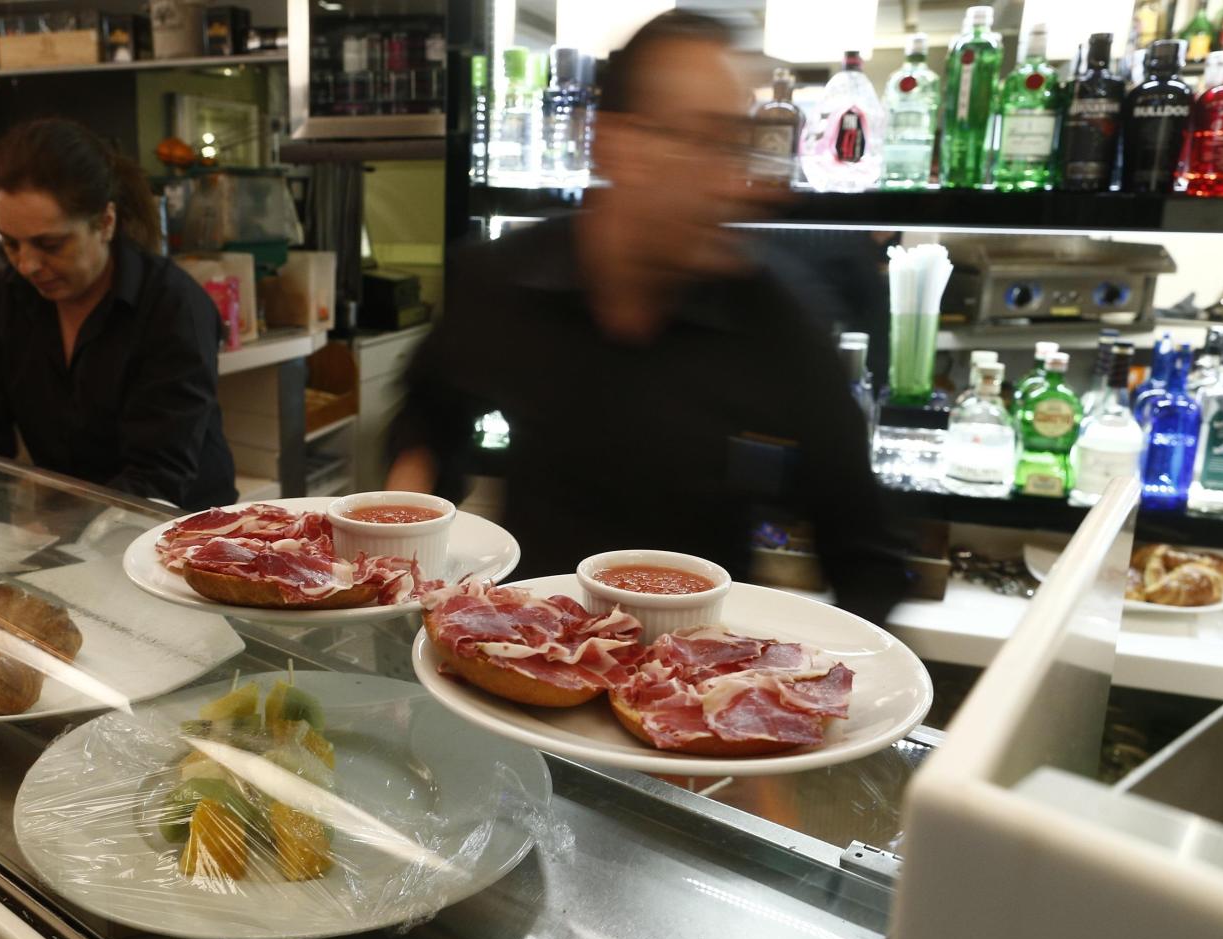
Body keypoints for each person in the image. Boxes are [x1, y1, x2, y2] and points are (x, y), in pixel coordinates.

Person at [387, 13, 907, 625]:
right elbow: (428, 419)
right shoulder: (507, 280)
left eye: (737, 144)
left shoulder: (774, 318)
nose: (731, 181)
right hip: (530, 652)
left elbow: (863, 551)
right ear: (612, 142)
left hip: (688, 684)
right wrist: (404, 532)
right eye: (701, 141)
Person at [0, 118, 236, 509]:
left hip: (178, 531)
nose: (28, 265)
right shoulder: (1, 302)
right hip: (71, 523)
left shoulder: (173, 307)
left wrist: (61, 530)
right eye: (10, 244)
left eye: (50, 244)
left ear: (105, 222)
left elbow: (156, 481)